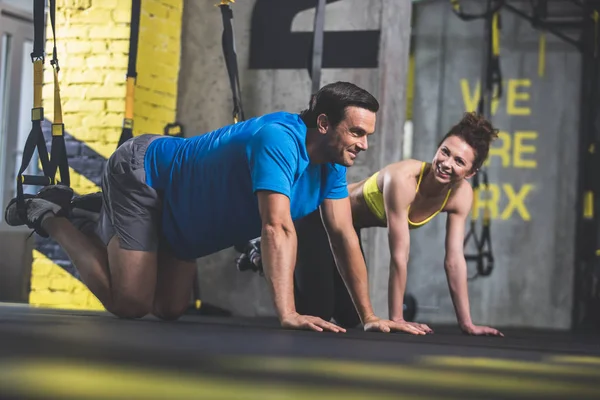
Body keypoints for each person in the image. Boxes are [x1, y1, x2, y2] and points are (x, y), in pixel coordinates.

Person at [5, 81, 408, 334]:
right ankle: (52, 215)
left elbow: (342, 236)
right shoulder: (278, 140)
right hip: (146, 175)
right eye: (357, 132)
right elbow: (277, 229)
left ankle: (94, 211)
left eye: (367, 135)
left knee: (169, 309)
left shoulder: (331, 165)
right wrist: (287, 313)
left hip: (184, 221)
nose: (363, 144)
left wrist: (369, 316)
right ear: (323, 123)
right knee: (131, 303)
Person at [237, 112, 504, 336]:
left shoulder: (461, 196)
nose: (446, 163)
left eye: (459, 162)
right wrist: (397, 319)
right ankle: (262, 254)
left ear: (470, 172)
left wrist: (466, 323)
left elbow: (454, 260)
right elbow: (399, 256)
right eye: (445, 152)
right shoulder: (404, 180)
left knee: (351, 316)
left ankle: (265, 255)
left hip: (346, 231)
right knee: (317, 311)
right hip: (316, 216)